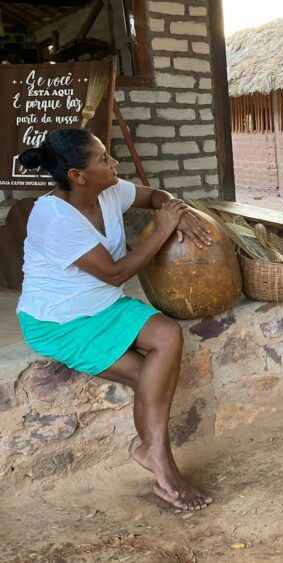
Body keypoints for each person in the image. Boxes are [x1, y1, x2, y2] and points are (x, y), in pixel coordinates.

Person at [16, 128, 214, 510]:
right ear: (77, 176)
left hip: (105, 305)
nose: (114, 163)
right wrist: (163, 229)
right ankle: (162, 464)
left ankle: (153, 453)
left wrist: (177, 210)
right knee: (148, 379)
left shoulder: (109, 190)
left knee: (167, 335)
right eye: (104, 159)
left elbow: (156, 196)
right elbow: (115, 273)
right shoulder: (53, 217)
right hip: (61, 320)